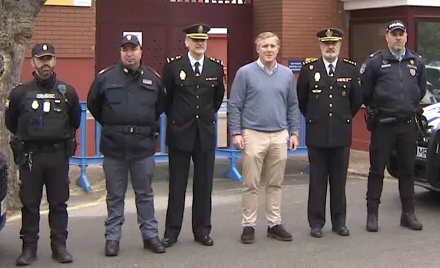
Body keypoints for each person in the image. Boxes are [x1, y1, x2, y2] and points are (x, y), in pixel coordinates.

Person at [87, 33, 168, 256]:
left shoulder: (153, 78)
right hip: (114, 146)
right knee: (115, 195)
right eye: (125, 49)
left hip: (142, 146)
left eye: (133, 49)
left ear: (141, 52)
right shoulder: (105, 78)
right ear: (120, 52)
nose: (129, 54)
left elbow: (159, 106)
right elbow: (95, 105)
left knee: (145, 194)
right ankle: (112, 238)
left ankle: (150, 236)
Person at [5, 43, 80, 266]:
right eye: (40, 59)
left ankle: (59, 247)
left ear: (55, 61)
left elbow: (74, 121)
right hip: (31, 157)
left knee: (58, 203)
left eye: (49, 59)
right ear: (33, 62)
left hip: (57, 156)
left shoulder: (68, 92)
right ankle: (29, 248)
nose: (45, 63)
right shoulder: (20, 93)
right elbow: (11, 122)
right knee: (30, 204)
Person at [227, 32, 301, 244]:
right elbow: (235, 104)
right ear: (257, 49)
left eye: (272, 46)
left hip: (279, 135)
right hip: (253, 134)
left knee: (275, 183)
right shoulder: (245, 73)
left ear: (278, 49)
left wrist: (294, 132)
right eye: (264, 46)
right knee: (250, 183)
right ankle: (248, 225)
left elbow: (292, 105)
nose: (269, 50)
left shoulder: (287, 75)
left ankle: (274, 224)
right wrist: (236, 132)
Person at [161, 23, 226, 247]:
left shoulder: (215, 68)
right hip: (180, 132)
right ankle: (172, 231)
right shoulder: (172, 67)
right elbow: (166, 100)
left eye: (203, 40)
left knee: (204, 184)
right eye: (195, 39)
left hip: (204, 133)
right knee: (177, 185)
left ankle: (202, 230)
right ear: (187, 42)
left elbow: (217, 99)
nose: (200, 43)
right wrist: (180, 118)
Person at [359, 20, 425, 232]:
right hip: (383, 124)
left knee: (407, 170)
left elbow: (420, 90)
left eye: (401, 34)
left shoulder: (416, 62)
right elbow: (366, 93)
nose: (398, 38)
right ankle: (372, 215)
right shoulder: (375, 62)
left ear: (406, 36)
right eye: (394, 34)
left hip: (407, 124)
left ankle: (408, 214)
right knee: (377, 170)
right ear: (387, 36)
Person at [297, 28, 363, 237]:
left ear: (340, 45)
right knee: (316, 181)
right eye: (326, 43)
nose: (330, 47)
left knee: (338, 181)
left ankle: (339, 222)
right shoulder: (309, 69)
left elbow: (356, 101)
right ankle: (316, 223)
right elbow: (302, 101)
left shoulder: (350, 70)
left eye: (334, 43)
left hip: (341, 133)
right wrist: (316, 118)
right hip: (317, 134)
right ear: (320, 45)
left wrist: (341, 118)